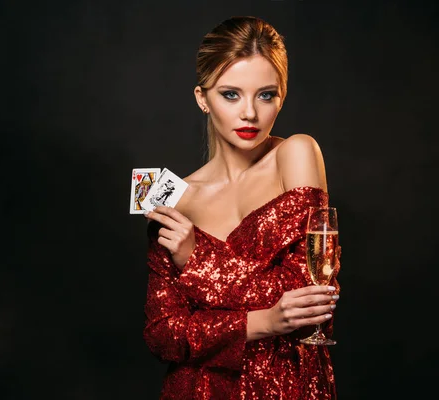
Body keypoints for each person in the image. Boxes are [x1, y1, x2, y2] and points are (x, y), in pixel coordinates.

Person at [143, 16, 341, 399]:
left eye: (265, 95)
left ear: (281, 96)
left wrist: (197, 260)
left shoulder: (296, 153)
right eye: (230, 94)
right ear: (203, 98)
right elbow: (164, 335)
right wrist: (263, 321)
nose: (249, 113)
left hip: (289, 385)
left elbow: (311, 295)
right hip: (198, 390)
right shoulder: (171, 196)